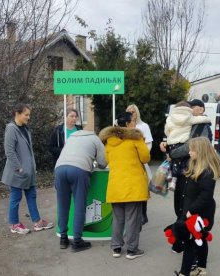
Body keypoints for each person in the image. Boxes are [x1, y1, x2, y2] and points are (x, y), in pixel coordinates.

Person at [99, 111, 150, 260]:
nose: (134, 123)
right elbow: (146, 158)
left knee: (118, 218)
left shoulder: (109, 141)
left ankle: (116, 248)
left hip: (116, 186)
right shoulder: (135, 138)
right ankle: (132, 250)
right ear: (128, 124)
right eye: (133, 121)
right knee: (132, 219)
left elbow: (107, 159)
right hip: (133, 186)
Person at [1, 103, 54, 234]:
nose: (28, 117)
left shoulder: (25, 129)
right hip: (17, 173)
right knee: (16, 197)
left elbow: (28, 151)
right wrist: (19, 168)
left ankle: (37, 222)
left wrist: (32, 168)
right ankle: (14, 224)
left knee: (32, 196)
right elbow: (9, 152)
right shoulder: (11, 129)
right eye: (26, 114)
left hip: (28, 172)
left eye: (29, 114)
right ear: (17, 114)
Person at [175, 137, 220, 276]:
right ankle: (201, 268)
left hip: (200, 213)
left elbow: (206, 195)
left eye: (192, 149)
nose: (189, 152)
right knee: (200, 238)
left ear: (200, 151)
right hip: (192, 210)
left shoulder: (207, 171)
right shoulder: (194, 164)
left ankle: (184, 272)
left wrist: (191, 210)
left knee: (190, 241)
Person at [54, 130, 107, 252]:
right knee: (79, 205)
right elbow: (103, 163)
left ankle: (63, 238)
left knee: (62, 205)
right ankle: (77, 241)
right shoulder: (95, 139)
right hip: (79, 170)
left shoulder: (71, 138)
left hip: (60, 169)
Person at [164, 101, 211, 191]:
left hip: (193, 170)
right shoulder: (190, 121)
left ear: (201, 109)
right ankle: (171, 177)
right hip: (186, 170)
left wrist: (171, 153)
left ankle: (171, 177)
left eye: (192, 107)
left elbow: (190, 146)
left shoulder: (201, 125)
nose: (190, 109)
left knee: (188, 201)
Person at [126, 104, 153, 225]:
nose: (132, 114)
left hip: (140, 161)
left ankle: (143, 214)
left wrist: (141, 155)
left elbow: (148, 144)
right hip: (128, 162)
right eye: (129, 112)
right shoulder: (124, 127)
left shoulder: (143, 126)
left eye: (134, 112)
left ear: (137, 113)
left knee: (142, 187)